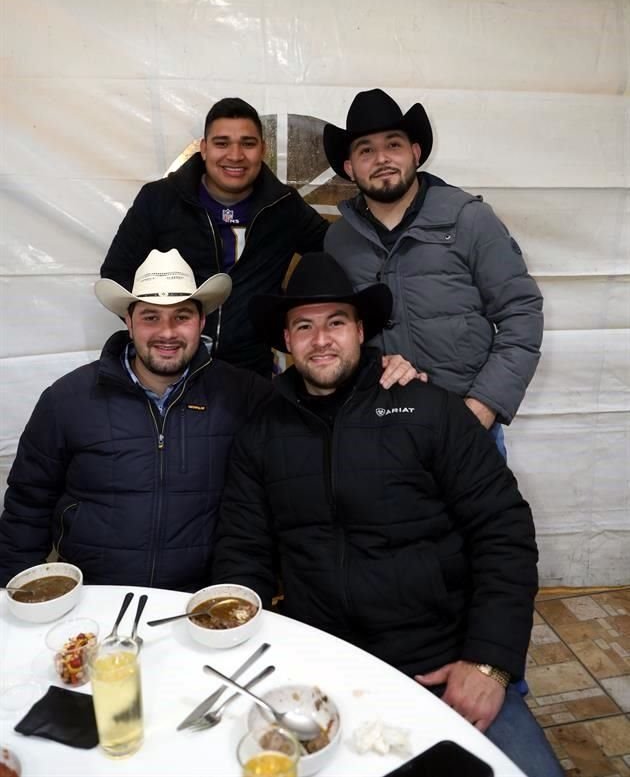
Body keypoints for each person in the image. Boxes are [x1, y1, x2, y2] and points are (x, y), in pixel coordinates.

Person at [212, 252, 562, 777]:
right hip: (323, 668)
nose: (321, 339)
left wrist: (489, 662)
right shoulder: (261, 432)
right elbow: (243, 552)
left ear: (361, 331)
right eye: (304, 326)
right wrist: (246, 649)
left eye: (336, 323)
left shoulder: (429, 410)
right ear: (286, 341)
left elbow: (504, 531)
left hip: (442, 663)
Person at [0, 249, 271, 591]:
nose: (167, 333)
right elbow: (28, 504)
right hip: (93, 600)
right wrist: (11, 599)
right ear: (128, 322)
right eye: (150, 317)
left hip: (200, 603)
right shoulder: (67, 400)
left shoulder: (243, 396)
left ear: (202, 322)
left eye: (182, 316)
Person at [322, 88, 543, 448]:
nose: (381, 159)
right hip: (377, 428)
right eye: (365, 150)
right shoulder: (338, 241)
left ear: (415, 152)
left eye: (393, 144)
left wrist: (483, 407)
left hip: (466, 425)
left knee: (482, 507)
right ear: (349, 167)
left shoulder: (469, 218)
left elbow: (522, 313)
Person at [101, 97, 329, 377]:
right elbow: (116, 273)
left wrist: (293, 315)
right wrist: (162, 328)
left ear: (263, 150)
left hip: (251, 370)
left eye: (248, 143)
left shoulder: (284, 206)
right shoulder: (160, 199)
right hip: (175, 367)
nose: (235, 155)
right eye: (222, 143)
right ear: (204, 149)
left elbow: (336, 251)